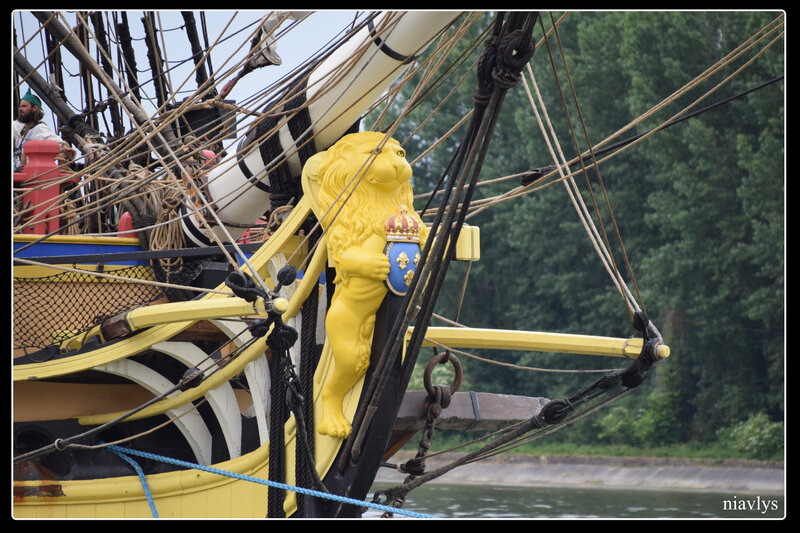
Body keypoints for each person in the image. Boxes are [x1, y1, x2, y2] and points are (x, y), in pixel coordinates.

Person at [13, 88, 75, 172]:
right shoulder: (20, 126)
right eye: (20, 106)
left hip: (30, 173)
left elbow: (52, 139)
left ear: (34, 108)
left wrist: (63, 146)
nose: (20, 109)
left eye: (24, 106)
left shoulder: (39, 128)